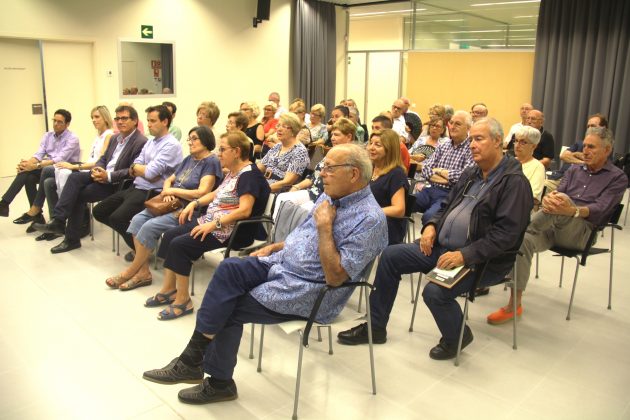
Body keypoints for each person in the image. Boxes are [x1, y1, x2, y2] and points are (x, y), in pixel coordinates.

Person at [142, 143, 388, 404]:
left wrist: (325, 226)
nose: (321, 173)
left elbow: (336, 278)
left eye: (329, 168)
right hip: (281, 264)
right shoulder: (331, 196)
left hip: (310, 290)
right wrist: (277, 246)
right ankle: (193, 361)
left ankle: (217, 381)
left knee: (228, 307)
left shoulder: (370, 219)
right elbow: (304, 235)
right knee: (229, 269)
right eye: (322, 166)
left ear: (353, 174)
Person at [338, 118, 533, 360]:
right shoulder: (472, 173)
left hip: (481, 260)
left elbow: (507, 236)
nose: (472, 145)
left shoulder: (514, 183)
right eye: (471, 139)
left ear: (497, 142)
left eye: (479, 139)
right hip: (443, 248)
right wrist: (431, 226)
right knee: (390, 256)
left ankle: (457, 336)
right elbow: (445, 206)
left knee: (435, 292)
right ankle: (376, 327)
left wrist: (464, 254)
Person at [487, 126, 627, 325]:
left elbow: (601, 208)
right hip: (551, 226)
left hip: (582, 232)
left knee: (560, 201)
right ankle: (514, 305)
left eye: (592, 147)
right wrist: (549, 201)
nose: (585, 150)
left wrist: (571, 210)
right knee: (523, 241)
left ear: (607, 150)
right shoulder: (575, 169)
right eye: (585, 145)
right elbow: (555, 194)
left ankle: (512, 235)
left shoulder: (617, 177)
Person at [137, 132, 271, 320]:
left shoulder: (250, 176)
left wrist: (213, 224)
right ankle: (169, 290)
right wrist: (195, 203)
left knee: (180, 245)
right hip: (215, 222)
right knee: (169, 236)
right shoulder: (234, 171)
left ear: (237, 151)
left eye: (222, 149)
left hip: (234, 230)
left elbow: (244, 211)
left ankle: (183, 301)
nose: (218, 154)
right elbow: (216, 193)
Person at [104, 126, 221, 291]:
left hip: (189, 210)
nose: (190, 142)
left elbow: (202, 192)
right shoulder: (189, 159)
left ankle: (130, 272)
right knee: (137, 220)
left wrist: (173, 191)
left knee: (148, 227)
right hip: (169, 203)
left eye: (195, 138)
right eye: (189, 139)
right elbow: (169, 180)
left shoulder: (211, 162)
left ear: (206, 139)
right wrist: (167, 190)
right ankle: (143, 272)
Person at [32, 105, 148, 253]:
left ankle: (68, 236)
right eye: (117, 118)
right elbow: (103, 159)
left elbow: (132, 170)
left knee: (77, 195)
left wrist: (108, 176)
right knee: (74, 179)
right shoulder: (114, 138)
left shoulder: (140, 141)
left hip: (117, 183)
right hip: (102, 174)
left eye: (124, 118)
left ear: (135, 121)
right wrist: (97, 170)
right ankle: (59, 221)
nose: (120, 121)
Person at [92, 105, 183, 256]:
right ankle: (142, 245)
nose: (148, 124)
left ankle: (142, 250)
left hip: (151, 192)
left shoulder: (171, 145)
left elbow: (151, 172)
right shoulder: (151, 142)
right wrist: (142, 169)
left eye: (153, 121)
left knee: (117, 218)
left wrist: (142, 170)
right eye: (148, 120)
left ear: (165, 121)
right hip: (135, 186)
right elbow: (134, 166)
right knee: (99, 211)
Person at [29, 106, 114, 241]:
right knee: (48, 182)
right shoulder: (98, 136)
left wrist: (75, 166)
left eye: (97, 117)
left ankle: (51, 215)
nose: (93, 120)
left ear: (105, 118)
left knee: (49, 170)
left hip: (93, 171)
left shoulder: (109, 135)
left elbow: (99, 162)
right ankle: (55, 223)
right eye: (92, 117)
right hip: (86, 168)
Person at [0, 109, 80, 222]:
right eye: (54, 121)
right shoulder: (48, 136)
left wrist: (36, 166)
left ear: (67, 124)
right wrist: (27, 164)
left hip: (65, 169)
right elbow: (39, 154)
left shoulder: (72, 138)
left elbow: (59, 159)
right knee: (28, 176)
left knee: (37, 170)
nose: (55, 124)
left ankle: (7, 204)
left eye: (59, 122)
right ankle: (35, 217)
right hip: (48, 168)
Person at [412, 110, 474, 225]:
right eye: (451, 123)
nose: (453, 126)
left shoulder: (471, 148)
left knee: (429, 217)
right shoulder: (443, 146)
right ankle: (396, 240)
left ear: (468, 128)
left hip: (451, 195)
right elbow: (425, 169)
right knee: (402, 205)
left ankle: (426, 242)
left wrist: (439, 170)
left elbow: (464, 177)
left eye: (458, 124)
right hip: (430, 190)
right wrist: (447, 179)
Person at [283, 118, 356, 208]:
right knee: (283, 199)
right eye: (332, 134)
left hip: (325, 197)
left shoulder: (351, 157)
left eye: (336, 135)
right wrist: (296, 187)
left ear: (349, 137)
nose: (332, 138)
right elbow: (314, 177)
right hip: (312, 191)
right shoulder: (332, 152)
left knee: (301, 210)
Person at [545, 113, 609, 192]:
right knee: (540, 186)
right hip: (560, 177)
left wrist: (575, 156)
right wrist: (583, 162)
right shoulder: (579, 143)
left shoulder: (605, 148)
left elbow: (596, 167)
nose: (589, 129)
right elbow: (563, 156)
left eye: (593, 126)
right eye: (588, 126)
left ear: (603, 128)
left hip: (579, 181)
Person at [367, 129, 408, 245]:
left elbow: (399, 209)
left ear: (389, 149)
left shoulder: (396, 174)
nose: (371, 147)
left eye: (378, 145)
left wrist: (370, 212)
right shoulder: (369, 169)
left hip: (385, 226)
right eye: (371, 143)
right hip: (369, 221)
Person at [258, 113, 309, 193]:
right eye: (278, 125)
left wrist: (263, 189)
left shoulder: (300, 151)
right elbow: (259, 168)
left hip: (279, 193)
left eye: (284, 126)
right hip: (264, 185)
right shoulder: (277, 146)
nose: (279, 129)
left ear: (294, 130)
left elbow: (287, 182)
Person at [513, 126, 546, 203]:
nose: (517, 145)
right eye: (516, 141)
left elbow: (534, 198)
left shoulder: (537, 167)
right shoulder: (508, 162)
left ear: (534, 146)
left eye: (523, 142)